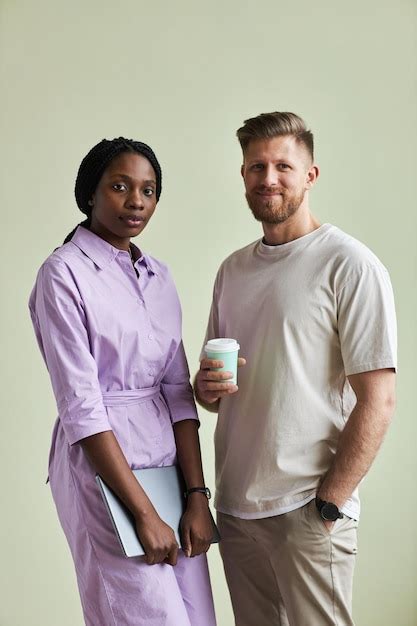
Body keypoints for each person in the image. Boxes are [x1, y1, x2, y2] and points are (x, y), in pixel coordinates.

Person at [195, 112, 397, 626]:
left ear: (310, 175)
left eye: (283, 165)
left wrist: (329, 504)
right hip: (237, 509)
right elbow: (212, 394)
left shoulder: (349, 264)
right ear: (243, 176)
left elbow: (379, 399)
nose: (269, 178)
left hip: (307, 507)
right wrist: (206, 387)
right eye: (256, 166)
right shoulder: (232, 270)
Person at [29, 137, 217, 626]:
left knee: (198, 619)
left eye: (149, 190)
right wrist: (144, 514)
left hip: (170, 471)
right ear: (90, 193)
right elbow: (81, 407)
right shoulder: (63, 274)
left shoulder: (159, 275)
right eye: (119, 186)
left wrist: (196, 496)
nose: (136, 200)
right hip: (105, 470)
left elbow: (178, 393)